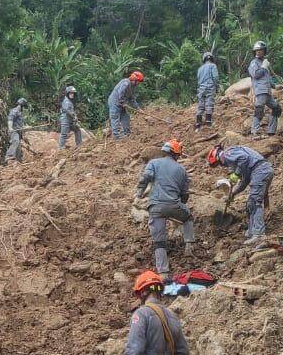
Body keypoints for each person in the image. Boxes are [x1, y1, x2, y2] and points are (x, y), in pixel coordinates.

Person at [135, 139, 194, 277]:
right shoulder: (182, 170)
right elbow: (185, 195)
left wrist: (139, 193)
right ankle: (189, 246)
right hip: (174, 205)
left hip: (155, 207)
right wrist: (179, 204)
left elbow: (146, 178)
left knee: (159, 242)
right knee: (188, 217)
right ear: (177, 155)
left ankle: (163, 273)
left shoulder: (154, 163)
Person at [207, 143, 274, 242]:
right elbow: (245, 180)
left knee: (255, 202)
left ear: (218, 157)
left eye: (218, 164)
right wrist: (233, 193)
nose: (222, 165)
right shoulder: (238, 162)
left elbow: (244, 157)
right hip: (263, 170)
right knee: (250, 204)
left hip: (260, 170)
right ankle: (252, 232)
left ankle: (259, 234)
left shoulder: (227, 154)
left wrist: (236, 174)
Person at [248, 42, 281, 138]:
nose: (258, 52)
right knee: (259, 109)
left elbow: (267, 80)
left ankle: (271, 131)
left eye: (260, 50)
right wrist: (263, 67)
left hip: (267, 91)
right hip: (260, 90)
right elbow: (256, 75)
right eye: (257, 51)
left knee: (276, 108)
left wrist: (276, 86)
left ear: (264, 51)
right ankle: (255, 132)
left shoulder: (264, 63)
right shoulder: (254, 63)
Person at [108, 70, 144, 139]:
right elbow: (120, 92)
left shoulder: (132, 87)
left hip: (121, 103)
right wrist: (122, 102)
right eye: (138, 82)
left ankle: (127, 133)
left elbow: (132, 99)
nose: (138, 83)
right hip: (114, 102)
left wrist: (138, 108)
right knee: (115, 117)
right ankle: (116, 136)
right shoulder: (125, 83)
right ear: (134, 79)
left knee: (125, 116)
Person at [196, 52, 219, 130]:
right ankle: (208, 122)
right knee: (209, 104)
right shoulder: (213, 66)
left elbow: (198, 80)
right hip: (210, 87)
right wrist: (217, 86)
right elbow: (215, 77)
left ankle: (198, 123)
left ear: (204, 59)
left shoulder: (200, 69)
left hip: (201, 89)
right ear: (211, 59)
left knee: (200, 106)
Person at [5, 98, 30, 163]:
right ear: (21, 106)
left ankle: (19, 161)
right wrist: (10, 128)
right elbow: (10, 119)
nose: (24, 109)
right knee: (15, 141)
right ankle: (9, 157)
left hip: (18, 131)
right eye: (24, 107)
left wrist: (25, 133)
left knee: (18, 146)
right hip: (14, 131)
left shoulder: (20, 114)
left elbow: (21, 126)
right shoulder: (14, 111)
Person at [58, 85, 83, 149]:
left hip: (71, 119)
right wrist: (74, 116)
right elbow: (68, 110)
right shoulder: (66, 101)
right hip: (65, 119)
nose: (72, 94)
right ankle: (60, 148)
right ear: (68, 93)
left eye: (73, 93)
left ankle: (79, 144)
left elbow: (71, 111)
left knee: (77, 129)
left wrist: (75, 117)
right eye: (71, 93)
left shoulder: (70, 101)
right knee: (64, 134)